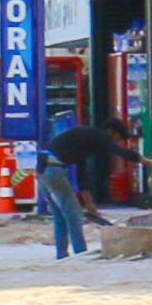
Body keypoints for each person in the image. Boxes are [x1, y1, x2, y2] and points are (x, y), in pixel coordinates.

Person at [38, 98, 101, 260]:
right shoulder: (81, 146)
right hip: (53, 171)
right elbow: (82, 177)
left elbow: (81, 177)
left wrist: (89, 204)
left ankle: (62, 255)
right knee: (73, 215)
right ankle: (81, 254)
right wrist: (89, 205)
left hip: (41, 169)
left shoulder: (69, 141)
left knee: (60, 216)